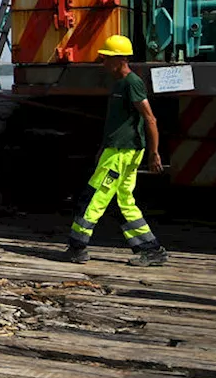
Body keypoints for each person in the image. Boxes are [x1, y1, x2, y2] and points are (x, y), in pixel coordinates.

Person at [64, 35, 169, 267]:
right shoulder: (119, 83)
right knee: (124, 201)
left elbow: (150, 119)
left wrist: (154, 153)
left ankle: (77, 247)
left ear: (121, 59)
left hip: (122, 153)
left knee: (94, 199)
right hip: (116, 150)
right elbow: (116, 122)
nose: (103, 62)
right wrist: (103, 147)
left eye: (107, 58)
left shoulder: (132, 83)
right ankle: (151, 249)